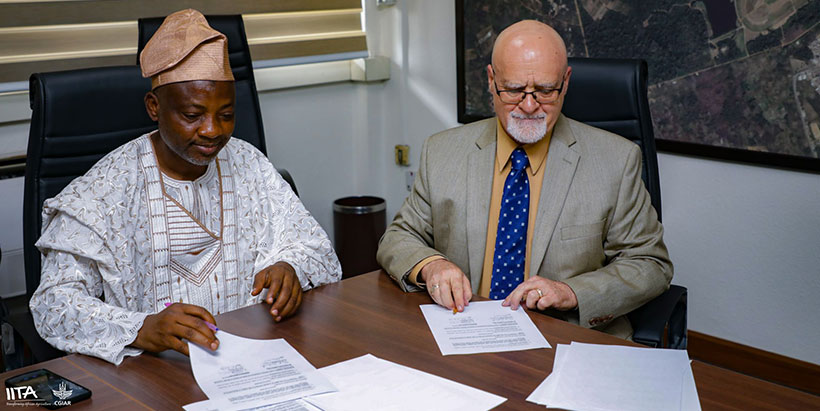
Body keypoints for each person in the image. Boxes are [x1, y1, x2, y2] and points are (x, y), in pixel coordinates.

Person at [29, 9, 341, 364]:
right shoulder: (103, 191)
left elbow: (315, 248)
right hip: (147, 372)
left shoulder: (248, 163)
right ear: (154, 107)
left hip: (253, 356)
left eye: (226, 115)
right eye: (192, 115)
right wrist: (140, 327)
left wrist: (290, 267)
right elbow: (54, 305)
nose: (213, 130)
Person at [377, 20, 672, 338]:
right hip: (466, 331)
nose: (530, 106)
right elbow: (398, 237)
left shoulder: (616, 161)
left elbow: (650, 265)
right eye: (515, 90)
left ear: (566, 82)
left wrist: (571, 292)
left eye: (546, 91)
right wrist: (431, 264)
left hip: (565, 336)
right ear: (491, 81)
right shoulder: (442, 152)